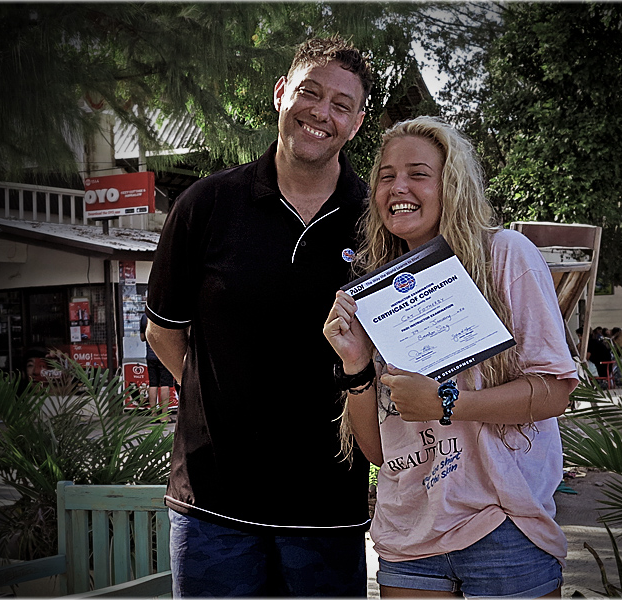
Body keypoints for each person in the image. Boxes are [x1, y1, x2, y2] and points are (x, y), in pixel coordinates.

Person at [144, 36, 373, 597]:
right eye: (309, 93)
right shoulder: (204, 204)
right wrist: (221, 397)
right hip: (213, 509)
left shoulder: (375, 224)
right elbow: (162, 331)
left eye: (341, 105)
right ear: (280, 95)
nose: (321, 113)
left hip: (327, 509)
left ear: (357, 122)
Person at [324, 116, 579, 598]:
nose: (399, 186)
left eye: (418, 173)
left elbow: (556, 389)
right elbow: (381, 452)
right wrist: (356, 365)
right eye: (386, 176)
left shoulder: (504, 255)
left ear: (451, 185)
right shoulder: (375, 292)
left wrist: (444, 403)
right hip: (408, 537)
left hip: (503, 529)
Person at [139, 312, 174, 420]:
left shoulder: (145, 317)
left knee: (153, 384)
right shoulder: (165, 316)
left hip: (150, 356)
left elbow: (142, 337)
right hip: (164, 356)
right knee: (165, 384)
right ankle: (164, 415)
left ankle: (153, 414)